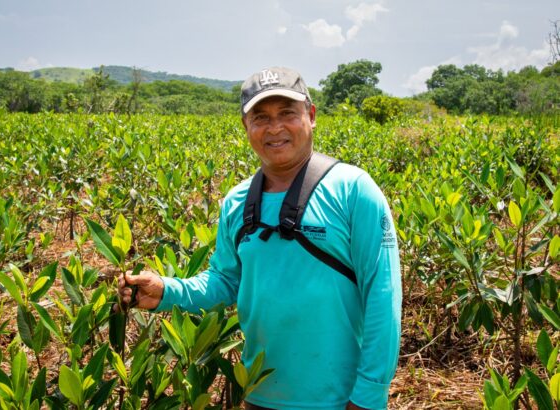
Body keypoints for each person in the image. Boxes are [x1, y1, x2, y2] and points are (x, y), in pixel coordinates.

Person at [118, 67, 402, 410]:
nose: (275, 127)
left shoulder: (353, 190)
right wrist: (165, 291)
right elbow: (224, 282)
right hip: (258, 394)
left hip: (340, 399)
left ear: (311, 116)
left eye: (287, 113)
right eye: (261, 117)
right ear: (246, 126)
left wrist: (370, 395)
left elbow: (383, 296)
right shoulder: (237, 202)